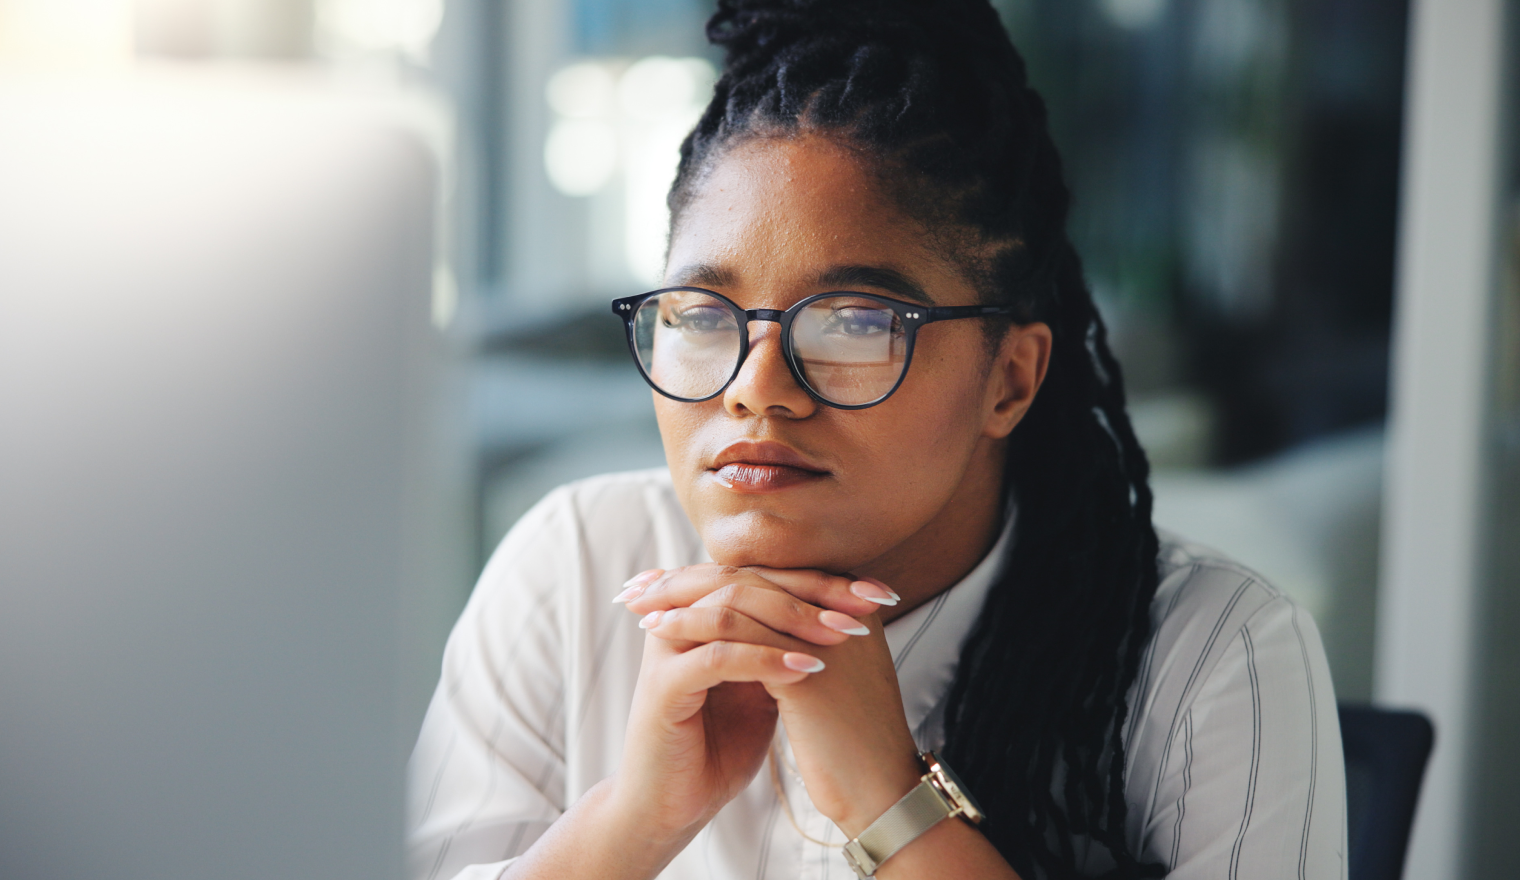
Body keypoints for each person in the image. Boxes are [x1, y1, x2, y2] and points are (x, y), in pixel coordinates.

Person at [407, 1, 1346, 878]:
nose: (755, 391)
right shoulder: (573, 565)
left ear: (1009, 379)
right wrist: (635, 820)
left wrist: (888, 798)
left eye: (854, 321)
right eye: (701, 314)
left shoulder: (1215, 653)